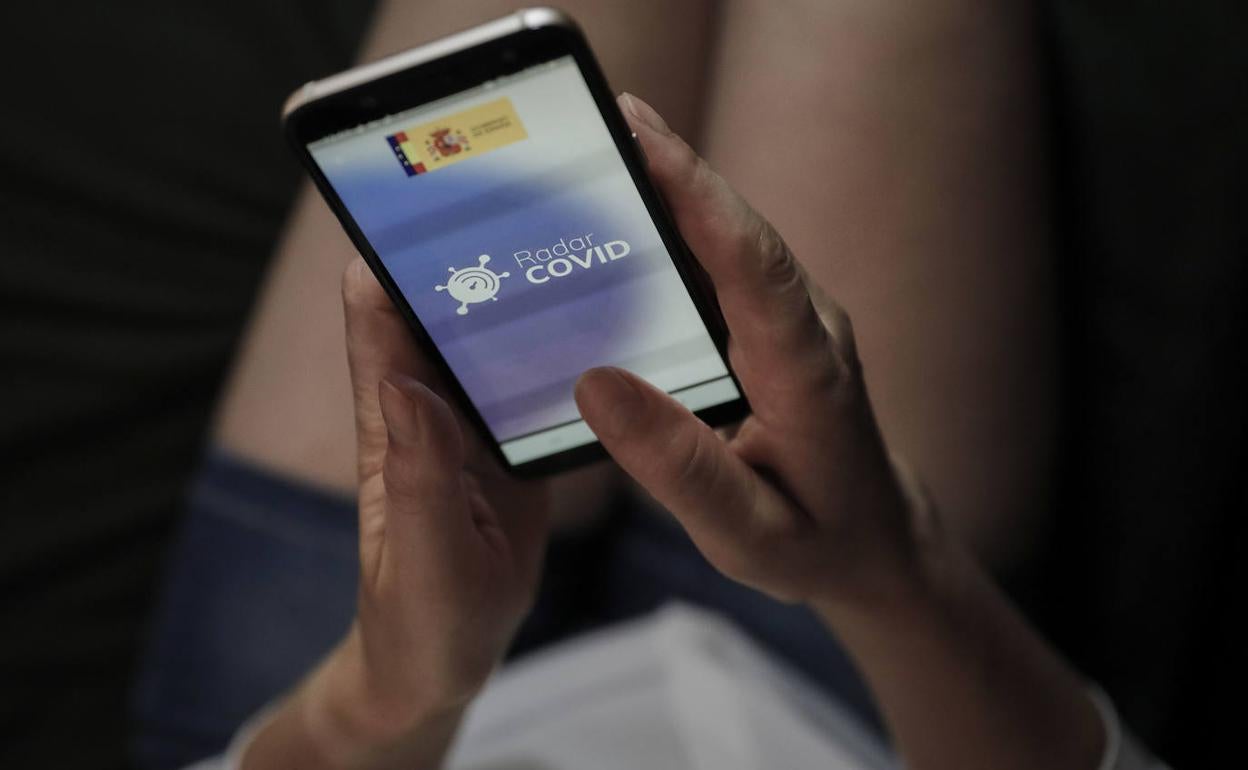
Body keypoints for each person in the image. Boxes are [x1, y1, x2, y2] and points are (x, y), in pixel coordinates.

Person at [202, 94, 1165, 769]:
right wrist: (889, 566)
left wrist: (390, 691)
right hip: (844, 687)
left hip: (333, 688)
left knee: (478, 93)